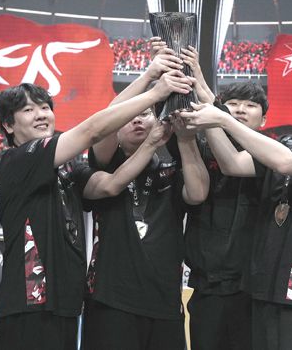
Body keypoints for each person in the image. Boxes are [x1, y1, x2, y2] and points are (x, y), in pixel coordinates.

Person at [0, 73, 193, 350]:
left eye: (45, 107)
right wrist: (153, 87)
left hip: (64, 304)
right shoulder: (19, 158)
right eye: (28, 110)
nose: (40, 115)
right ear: (8, 125)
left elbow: (111, 184)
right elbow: (92, 131)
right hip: (28, 303)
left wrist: (151, 144)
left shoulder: (68, 168)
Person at [180, 52, 292, 350]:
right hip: (263, 295)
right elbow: (233, 163)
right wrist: (203, 94)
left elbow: (286, 163)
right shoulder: (288, 142)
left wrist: (222, 117)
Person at [80, 45, 209, 350]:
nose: (137, 120)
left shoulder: (171, 167)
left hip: (164, 300)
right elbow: (105, 120)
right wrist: (151, 78)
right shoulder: (103, 165)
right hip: (110, 299)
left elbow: (198, 194)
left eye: (145, 115)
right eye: (130, 117)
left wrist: (184, 137)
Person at [181, 47, 269, 350]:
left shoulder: (271, 155)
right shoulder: (198, 149)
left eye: (251, 105)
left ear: (264, 119)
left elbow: (234, 162)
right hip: (207, 287)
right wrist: (192, 77)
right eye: (233, 104)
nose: (241, 110)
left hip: (252, 290)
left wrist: (204, 87)